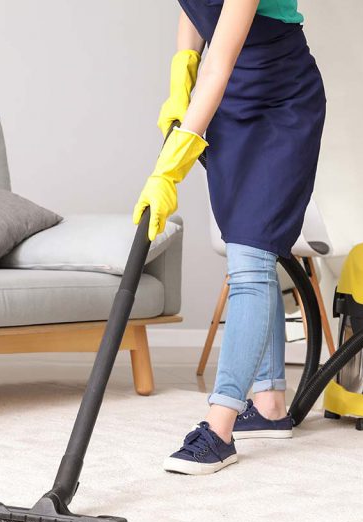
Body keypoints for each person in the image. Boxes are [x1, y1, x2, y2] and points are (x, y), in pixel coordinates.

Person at [133, 0, 326, 475]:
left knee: (251, 258)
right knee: (248, 252)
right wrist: (181, 72)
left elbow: (219, 63)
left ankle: (219, 429)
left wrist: (169, 169)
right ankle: (270, 405)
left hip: (281, 102)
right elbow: (193, 11)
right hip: (229, 105)